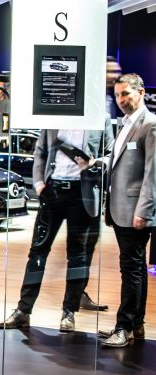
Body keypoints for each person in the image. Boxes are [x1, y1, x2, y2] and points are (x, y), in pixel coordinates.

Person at [0, 120, 113, 333]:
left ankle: (69, 313)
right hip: (53, 191)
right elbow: (40, 152)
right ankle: (23, 310)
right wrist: (40, 185)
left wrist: (95, 162)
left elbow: (111, 154)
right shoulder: (53, 117)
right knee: (37, 252)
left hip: (83, 193)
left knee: (78, 256)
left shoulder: (99, 117)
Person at [99, 73, 156, 348]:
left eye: (126, 94)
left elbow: (152, 174)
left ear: (141, 92)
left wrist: (144, 210)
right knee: (136, 269)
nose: (121, 100)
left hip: (135, 211)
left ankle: (124, 327)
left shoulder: (150, 125)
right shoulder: (124, 124)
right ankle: (137, 325)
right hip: (120, 208)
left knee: (131, 269)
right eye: (118, 95)